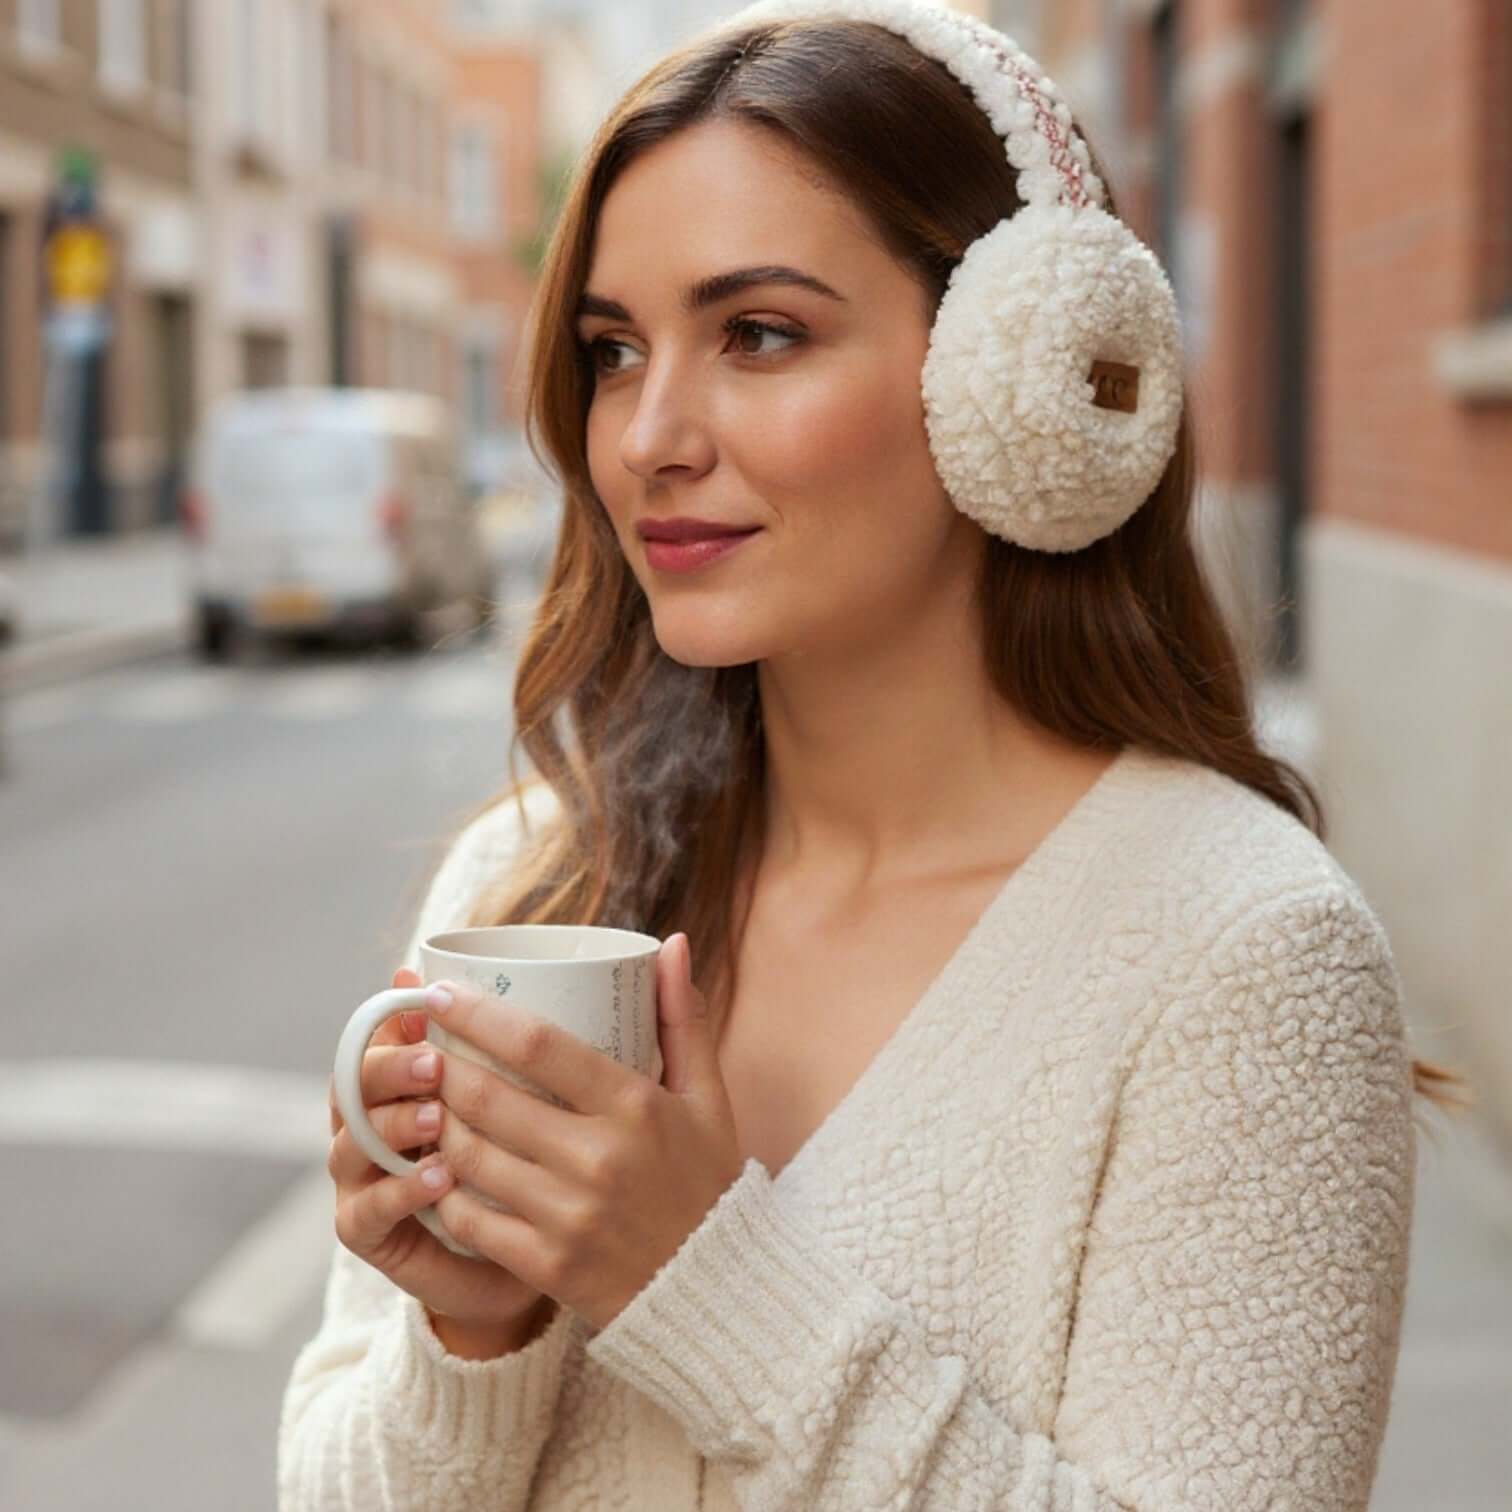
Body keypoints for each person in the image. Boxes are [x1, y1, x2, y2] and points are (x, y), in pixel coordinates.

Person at [279, 2, 1468, 1507]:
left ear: (1019, 376)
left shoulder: (1243, 957)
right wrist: (472, 1338)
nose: (647, 436)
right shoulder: (532, 886)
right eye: (614, 351)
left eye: (759, 334)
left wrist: (695, 1283)